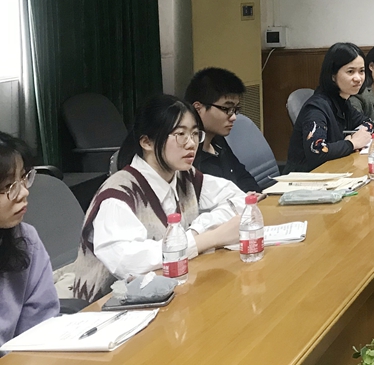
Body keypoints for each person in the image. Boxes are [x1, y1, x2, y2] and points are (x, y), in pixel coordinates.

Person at [72, 95, 246, 303]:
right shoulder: (118, 194)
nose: (191, 144)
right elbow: (128, 263)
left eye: (194, 134)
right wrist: (207, 239)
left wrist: (197, 229)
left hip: (168, 294)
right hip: (109, 306)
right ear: (146, 142)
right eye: (180, 134)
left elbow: (239, 200)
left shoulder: (184, 176)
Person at [0, 132, 59, 345]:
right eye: (9, 186)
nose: (24, 192)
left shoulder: (25, 239)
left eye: (24, 177)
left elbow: (40, 325)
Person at [286, 43, 374, 174]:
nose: (358, 78)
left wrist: (354, 137)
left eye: (361, 71)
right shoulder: (316, 108)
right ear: (333, 75)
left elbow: (368, 123)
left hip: (332, 172)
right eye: (350, 71)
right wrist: (352, 144)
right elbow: (317, 150)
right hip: (307, 178)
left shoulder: (342, 101)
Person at [184, 67, 262, 193]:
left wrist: (253, 195)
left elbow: (243, 177)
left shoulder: (218, 140)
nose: (233, 117)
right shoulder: (187, 154)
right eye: (226, 109)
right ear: (198, 109)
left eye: (235, 110)